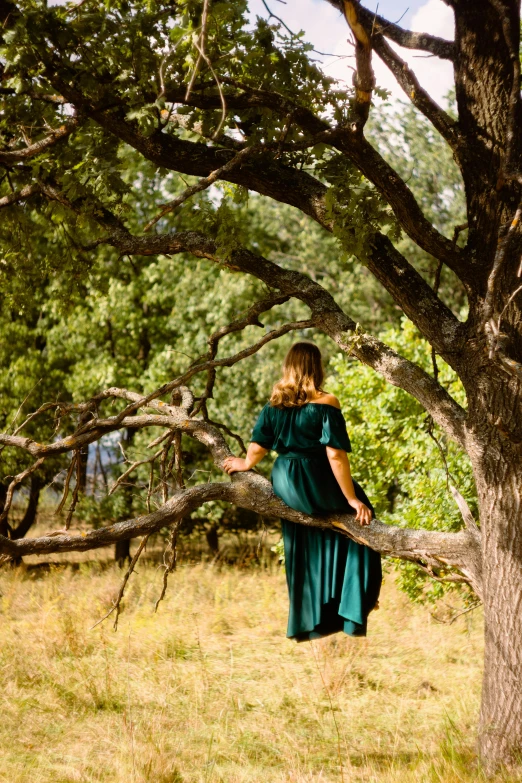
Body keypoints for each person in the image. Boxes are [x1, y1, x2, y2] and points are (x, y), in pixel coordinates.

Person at [223, 341, 382, 641]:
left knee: (315, 529)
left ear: (289, 367)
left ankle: (320, 611)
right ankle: (355, 602)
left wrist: (246, 463)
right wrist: (351, 498)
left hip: (285, 480)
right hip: (313, 477)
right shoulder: (327, 403)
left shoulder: (275, 403)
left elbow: (258, 445)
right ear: (316, 367)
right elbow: (335, 456)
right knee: (364, 519)